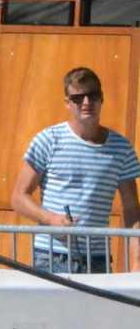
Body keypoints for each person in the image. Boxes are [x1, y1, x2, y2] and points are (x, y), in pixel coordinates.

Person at [10, 66, 140, 273]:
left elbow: (133, 210)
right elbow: (18, 197)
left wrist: (137, 263)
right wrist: (50, 219)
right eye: (78, 98)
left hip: (97, 258)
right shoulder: (48, 140)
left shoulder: (121, 148)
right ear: (68, 103)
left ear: (102, 99)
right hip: (51, 255)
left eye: (93, 95)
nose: (86, 103)